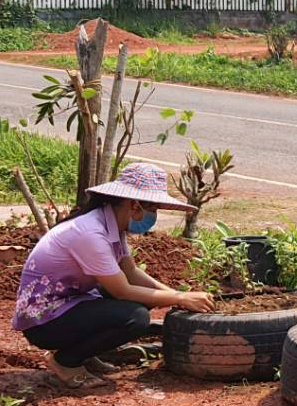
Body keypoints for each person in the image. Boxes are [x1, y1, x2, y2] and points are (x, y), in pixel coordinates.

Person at [12, 163, 216, 389]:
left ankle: (85, 354)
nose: (154, 215)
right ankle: (65, 362)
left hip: (68, 303)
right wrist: (179, 299)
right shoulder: (90, 233)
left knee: (140, 301)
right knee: (135, 318)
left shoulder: (112, 226)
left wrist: (178, 295)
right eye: (154, 208)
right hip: (43, 321)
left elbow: (130, 272)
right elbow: (123, 290)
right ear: (134, 205)